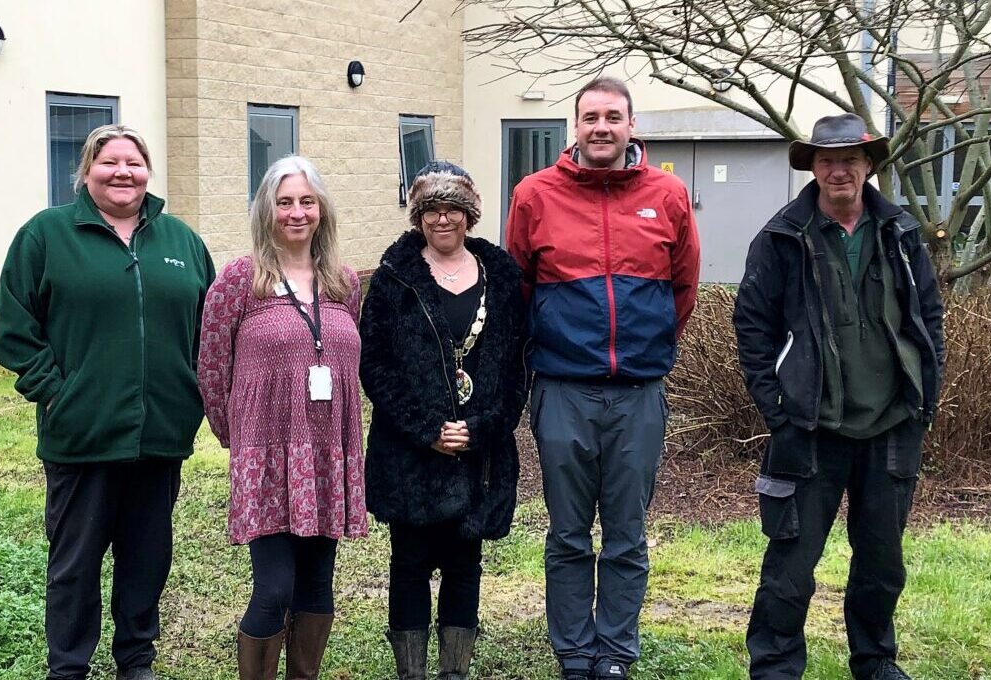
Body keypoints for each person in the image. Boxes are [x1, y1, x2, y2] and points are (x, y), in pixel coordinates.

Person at [0, 124, 216, 680]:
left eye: (134, 163)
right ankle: (68, 666)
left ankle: (135, 661)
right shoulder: (46, 235)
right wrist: (57, 393)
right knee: (75, 564)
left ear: (148, 173)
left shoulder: (180, 241)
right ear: (86, 172)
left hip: (160, 434)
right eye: (108, 162)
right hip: (81, 435)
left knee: (146, 560)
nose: (123, 172)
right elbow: (13, 329)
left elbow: (209, 329)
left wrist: (191, 393)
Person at [734, 113, 946, 680]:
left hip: (891, 424)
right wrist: (777, 409)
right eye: (827, 160)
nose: (838, 170)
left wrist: (925, 400)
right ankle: (776, 667)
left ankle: (876, 661)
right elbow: (752, 330)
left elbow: (929, 320)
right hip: (809, 428)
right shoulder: (781, 237)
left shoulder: (900, 235)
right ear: (814, 168)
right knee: (790, 565)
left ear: (869, 165)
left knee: (881, 564)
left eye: (850, 159)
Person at [504, 76, 701, 680]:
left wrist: (646, 346)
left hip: (639, 394)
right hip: (563, 390)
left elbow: (683, 288)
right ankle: (574, 651)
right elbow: (519, 290)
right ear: (575, 126)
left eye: (613, 117)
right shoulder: (534, 196)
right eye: (590, 117)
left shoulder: (667, 194)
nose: (601, 128)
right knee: (567, 534)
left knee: (626, 536)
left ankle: (614, 652)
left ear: (631, 126)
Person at [196, 155, 366, 680]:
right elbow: (210, 365)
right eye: (284, 201)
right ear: (266, 210)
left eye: (306, 201)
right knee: (273, 589)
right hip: (266, 458)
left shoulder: (343, 282)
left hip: (327, 456)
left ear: (322, 210)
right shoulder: (239, 281)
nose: (296, 212)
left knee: (317, 586)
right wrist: (239, 439)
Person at [361, 161, 530, 680]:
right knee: (409, 566)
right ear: (418, 216)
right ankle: (411, 672)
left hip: (477, 457)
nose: (442, 218)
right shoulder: (394, 279)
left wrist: (479, 430)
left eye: (453, 208)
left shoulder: (502, 281)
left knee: (464, 566)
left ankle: (455, 671)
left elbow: (516, 365)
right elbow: (375, 363)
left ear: (470, 214)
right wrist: (427, 429)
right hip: (410, 454)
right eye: (432, 209)